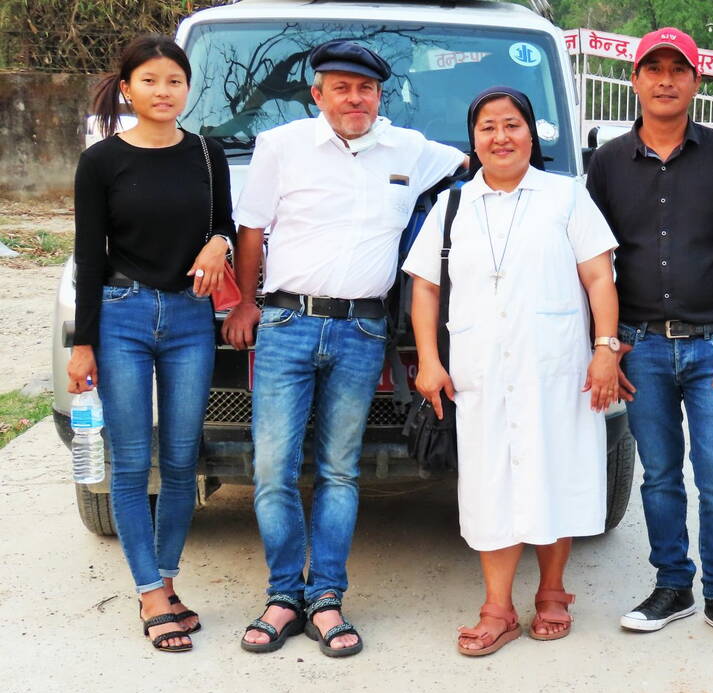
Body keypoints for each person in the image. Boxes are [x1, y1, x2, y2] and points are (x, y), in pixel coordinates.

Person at [223, 40, 466, 657]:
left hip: (362, 331)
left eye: (366, 89)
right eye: (340, 88)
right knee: (273, 470)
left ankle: (326, 598)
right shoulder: (281, 148)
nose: (354, 99)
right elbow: (251, 228)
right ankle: (284, 595)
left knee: (338, 470)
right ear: (318, 95)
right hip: (285, 324)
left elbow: (479, 163)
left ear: (381, 95)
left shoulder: (410, 148)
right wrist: (247, 302)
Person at [403, 86, 626, 657]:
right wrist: (428, 360)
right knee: (488, 484)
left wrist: (605, 348)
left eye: (512, 125)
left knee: (558, 471)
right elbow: (425, 287)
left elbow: (600, 278)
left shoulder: (566, 196)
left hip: (557, 366)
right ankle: (497, 608)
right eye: (487, 128)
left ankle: (553, 592)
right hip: (478, 369)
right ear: (473, 140)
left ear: (532, 133)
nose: (500, 138)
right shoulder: (452, 206)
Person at [586, 27, 713, 645]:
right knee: (659, 475)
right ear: (634, 80)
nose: (665, 80)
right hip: (643, 347)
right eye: (653, 68)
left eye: (678, 69)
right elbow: (593, 261)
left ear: (696, 81)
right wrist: (607, 345)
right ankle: (673, 585)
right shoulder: (608, 162)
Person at [67, 34, 235, 653]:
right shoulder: (103, 161)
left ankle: (166, 580)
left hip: (192, 319)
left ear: (187, 89)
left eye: (174, 81)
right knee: (132, 462)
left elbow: (225, 220)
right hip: (122, 317)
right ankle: (148, 591)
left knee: (183, 459)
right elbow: (89, 255)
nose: (164, 92)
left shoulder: (206, 154)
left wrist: (219, 242)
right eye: (151, 81)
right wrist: (83, 345)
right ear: (128, 87)